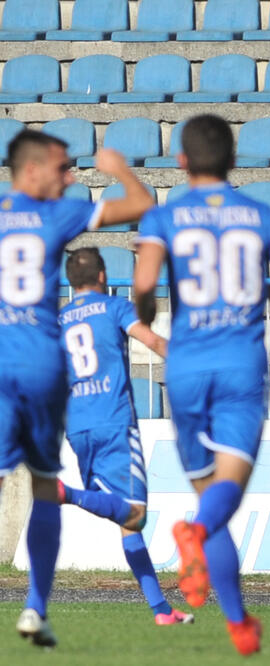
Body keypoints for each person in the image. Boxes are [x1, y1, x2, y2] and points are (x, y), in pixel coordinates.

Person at [131, 114, 270, 656]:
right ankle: (194, 535)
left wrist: (148, 307)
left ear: (180, 161)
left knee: (211, 497)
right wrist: (256, 290)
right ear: (234, 160)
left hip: (184, 367)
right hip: (238, 364)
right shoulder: (259, 214)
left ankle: (237, 623)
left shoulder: (164, 217)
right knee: (220, 503)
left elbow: (143, 287)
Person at [0, 130, 154, 647]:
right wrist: (118, 168)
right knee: (45, 487)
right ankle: (35, 608)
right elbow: (140, 204)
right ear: (33, 169)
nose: (69, 178)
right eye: (63, 169)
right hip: (42, 366)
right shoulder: (53, 216)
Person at [57, 247, 192, 626]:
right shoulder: (113, 307)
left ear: (71, 280)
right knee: (135, 513)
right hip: (114, 421)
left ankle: (162, 611)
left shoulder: (60, 321)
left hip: (77, 426)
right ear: (102, 276)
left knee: (123, 519)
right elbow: (150, 340)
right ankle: (64, 493)